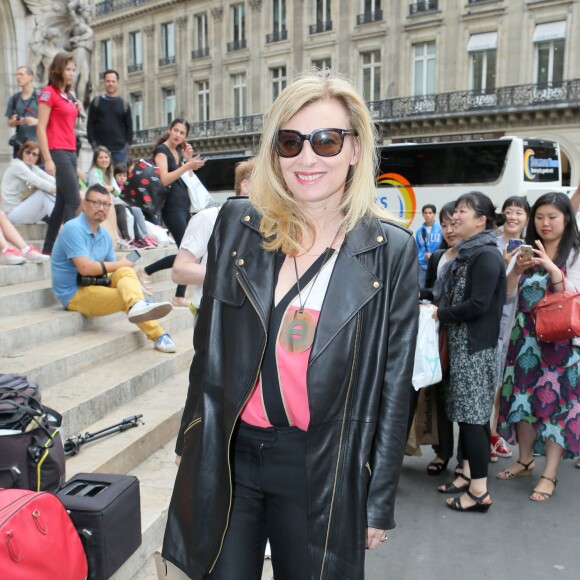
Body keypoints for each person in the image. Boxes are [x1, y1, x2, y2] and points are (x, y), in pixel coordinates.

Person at [162, 72, 418, 579]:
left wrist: (378, 496)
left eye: (326, 141)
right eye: (290, 141)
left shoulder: (390, 252)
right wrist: (192, 439)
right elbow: (208, 348)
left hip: (318, 463)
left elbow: (394, 387)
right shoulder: (238, 225)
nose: (307, 158)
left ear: (354, 149)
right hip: (231, 453)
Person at [497, 192, 580, 501]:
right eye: (541, 217)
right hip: (523, 341)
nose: (545, 223)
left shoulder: (574, 254)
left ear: (567, 220)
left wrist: (551, 268)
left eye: (553, 217)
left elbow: (573, 295)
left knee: (558, 408)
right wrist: (516, 269)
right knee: (523, 402)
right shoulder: (526, 250)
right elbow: (506, 296)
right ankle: (525, 460)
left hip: (560, 346)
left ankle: (550, 473)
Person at [432, 191, 506, 513]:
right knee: (465, 416)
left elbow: (479, 304)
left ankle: (479, 491)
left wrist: (440, 314)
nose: (456, 217)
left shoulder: (486, 255)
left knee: (474, 421)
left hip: (476, 350)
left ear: (481, 220)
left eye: (463, 211)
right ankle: (465, 474)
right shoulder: (465, 254)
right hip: (462, 348)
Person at [50, 184, 177, 353]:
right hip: (74, 292)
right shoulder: (73, 228)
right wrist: (121, 266)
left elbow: (115, 272)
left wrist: (132, 281)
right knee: (126, 294)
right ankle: (158, 334)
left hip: (96, 283)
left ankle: (138, 303)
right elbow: (85, 268)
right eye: (96, 203)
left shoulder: (104, 235)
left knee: (126, 272)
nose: (101, 208)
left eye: (105, 204)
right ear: (84, 204)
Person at [408, 201, 459, 476]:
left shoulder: (473, 257)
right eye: (446, 224)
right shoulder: (439, 256)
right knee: (436, 396)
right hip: (435, 336)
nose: (450, 229)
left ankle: (466, 458)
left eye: (454, 223)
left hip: (461, 337)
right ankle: (442, 453)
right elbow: (429, 290)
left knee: (457, 401)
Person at [172, 158, 255, 313]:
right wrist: (234, 277)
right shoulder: (210, 217)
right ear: (245, 185)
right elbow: (179, 271)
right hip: (213, 314)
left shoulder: (271, 225)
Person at [137, 119, 205, 307]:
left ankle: (178, 295)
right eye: (176, 130)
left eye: (182, 133)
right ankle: (146, 271)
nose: (178, 135)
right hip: (171, 208)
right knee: (189, 253)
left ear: (186, 136)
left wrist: (188, 160)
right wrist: (187, 165)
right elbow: (165, 179)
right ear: (169, 130)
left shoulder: (177, 152)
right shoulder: (162, 151)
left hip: (183, 206)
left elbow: (188, 179)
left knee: (191, 252)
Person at [489, 196, 531, 462]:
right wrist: (505, 264)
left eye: (519, 212)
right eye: (509, 211)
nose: (513, 217)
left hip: (519, 320)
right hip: (493, 318)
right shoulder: (491, 243)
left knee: (505, 383)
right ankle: (488, 437)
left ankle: (494, 433)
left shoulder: (531, 247)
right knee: (492, 381)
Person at [37, 52, 83, 255]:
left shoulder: (68, 96)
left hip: (71, 150)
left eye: (73, 69)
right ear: (58, 70)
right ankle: (72, 249)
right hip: (57, 150)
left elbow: (68, 121)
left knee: (62, 202)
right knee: (74, 200)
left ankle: (48, 249)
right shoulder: (49, 93)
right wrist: (47, 158)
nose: (72, 73)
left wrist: (76, 107)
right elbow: (41, 127)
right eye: (68, 69)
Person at [0, 140, 56, 224]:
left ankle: (59, 224)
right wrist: (58, 190)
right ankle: (60, 227)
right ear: (22, 153)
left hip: (24, 214)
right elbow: (36, 180)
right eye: (28, 152)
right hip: (10, 214)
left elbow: (52, 180)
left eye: (34, 154)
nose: (30, 156)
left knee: (52, 195)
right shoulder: (17, 165)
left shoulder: (33, 168)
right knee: (43, 192)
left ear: (38, 157)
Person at [86, 70, 133, 165]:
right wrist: (94, 146)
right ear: (104, 82)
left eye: (113, 81)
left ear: (117, 83)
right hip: (101, 151)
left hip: (119, 152)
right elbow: (90, 125)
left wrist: (125, 147)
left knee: (120, 179)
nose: (110, 84)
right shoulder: (96, 102)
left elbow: (129, 128)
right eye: (108, 81)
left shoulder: (124, 105)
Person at [5, 66, 39, 157]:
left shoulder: (41, 96)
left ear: (31, 77)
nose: (18, 77)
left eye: (21, 74)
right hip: (20, 146)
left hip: (38, 145)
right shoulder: (14, 98)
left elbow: (53, 119)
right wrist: (15, 122)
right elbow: (9, 123)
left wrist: (36, 122)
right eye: (16, 75)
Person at [416, 204, 443, 287]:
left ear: (434, 214)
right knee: (422, 288)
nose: (428, 215)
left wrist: (434, 255)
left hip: (436, 264)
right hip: (422, 265)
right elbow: (417, 248)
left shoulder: (440, 229)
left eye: (430, 213)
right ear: (423, 214)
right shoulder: (419, 230)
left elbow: (444, 246)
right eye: (425, 213)